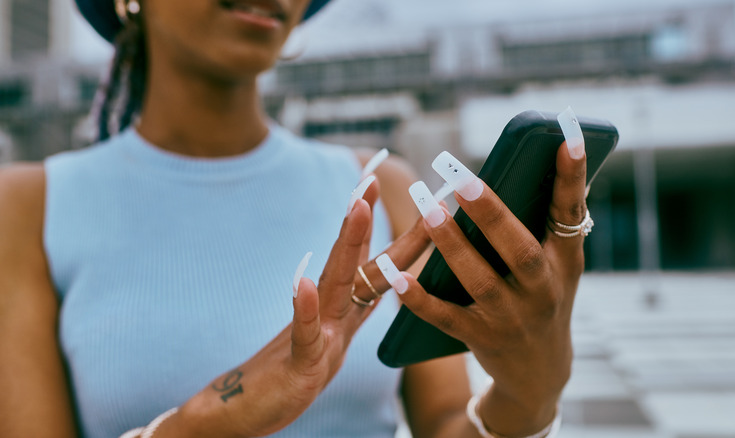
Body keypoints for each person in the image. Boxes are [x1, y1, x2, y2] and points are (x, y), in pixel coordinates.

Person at [0, 0, 593, 437]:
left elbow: (447, 426)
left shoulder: (380, 186)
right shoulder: (28, 206)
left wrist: (529, 397)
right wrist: (204, 422)